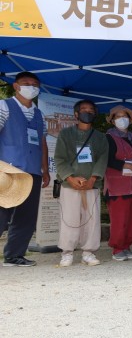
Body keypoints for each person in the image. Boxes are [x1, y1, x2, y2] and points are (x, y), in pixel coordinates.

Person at [0, 71, 50, 267]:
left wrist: (45, 169)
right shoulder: (4, 106)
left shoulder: (39, 114)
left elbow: (43, 143)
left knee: (27, 215)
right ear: (16, 86)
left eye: (35, 84)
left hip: (33, 171)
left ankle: (14, 255)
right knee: (2, 212)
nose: (32, 86)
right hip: (8, 170)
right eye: (26, 83)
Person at [54, 99, 108, 267]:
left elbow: (102, 159)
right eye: (84, 110)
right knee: (69, 218)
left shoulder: (101, 137)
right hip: (70, 185)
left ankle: (88, 252)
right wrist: (70, 178)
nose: (88, 112)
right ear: (76, 114)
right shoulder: (65, 134)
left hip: (92, 185)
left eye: (91, 110)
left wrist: (93, 179)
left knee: (91, 220)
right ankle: (67, 252)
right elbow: (59, 158)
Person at [105, 105, 132, 262]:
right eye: (118, 117)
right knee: (119, 219)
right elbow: (108, 160)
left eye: (125, 116)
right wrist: (126, 166)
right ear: (113, 120)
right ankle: (117, 248)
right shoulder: (108, 137)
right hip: (117, 186)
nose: (122, 119)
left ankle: (127, 246)